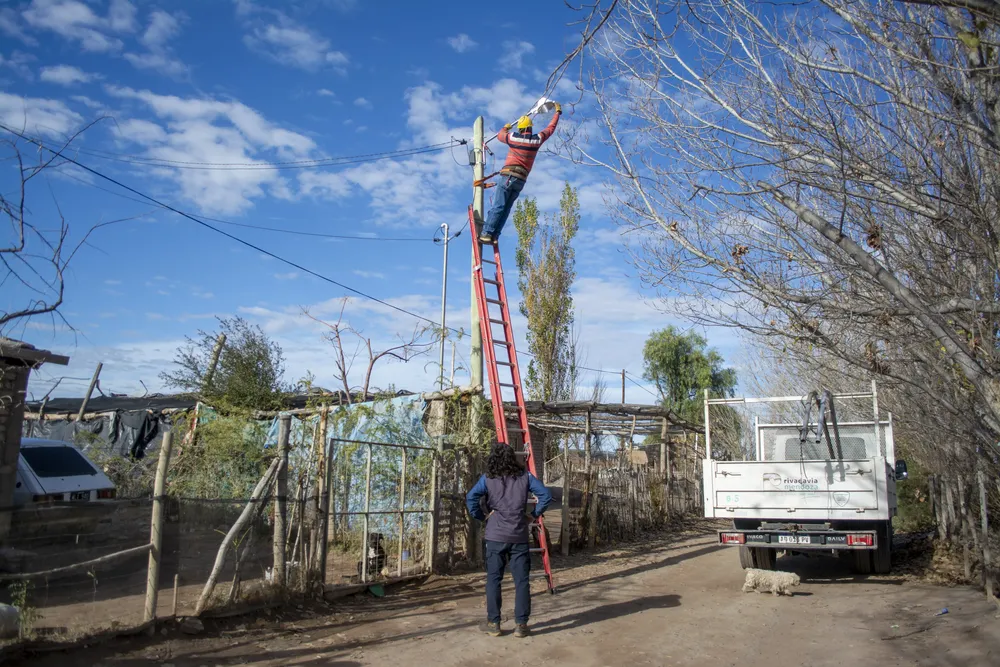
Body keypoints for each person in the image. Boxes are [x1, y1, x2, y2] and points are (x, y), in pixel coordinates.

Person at [465, 442, 553, 638]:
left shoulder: (488, 478)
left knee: (493, 580)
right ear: (513, 457)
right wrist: (534, 514)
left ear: (492, 458)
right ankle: (521, 625)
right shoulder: (525, 476)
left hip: (495, 536)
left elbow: (471, 497)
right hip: (519, 536)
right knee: (522, 581)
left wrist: (481, 517)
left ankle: (494, 623)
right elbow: (545, 495)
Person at [479, 104, 562, 245]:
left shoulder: (513, 137)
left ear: (521, 128)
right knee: (506, 208)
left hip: (508, 177)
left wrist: (505, 127)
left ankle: (487, 233)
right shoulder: (536, 140)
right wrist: (557, 113)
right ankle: (495, 236)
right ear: (530, 128)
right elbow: (550, 129)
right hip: (520, 181)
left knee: (499, 205)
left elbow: (500, 136)